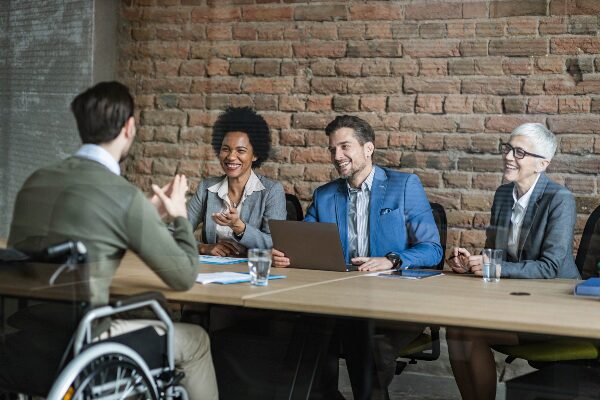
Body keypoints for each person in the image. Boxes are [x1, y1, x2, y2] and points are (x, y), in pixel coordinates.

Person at [6, 81, 218, 400]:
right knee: (197, 340)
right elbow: (184, 275)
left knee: (145, 313)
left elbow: (78, 228)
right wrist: (178, 217)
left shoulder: (35, 181)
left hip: (27, 333)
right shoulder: (122, 196)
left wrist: (140, 215)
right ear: (129, 127)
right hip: (85, 339)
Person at [273, 115, 443, 400]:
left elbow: (433, 249)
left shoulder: (404, 186)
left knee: (363, 339)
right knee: (301, 330)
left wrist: (391, 259)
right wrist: (287, 256)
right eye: (332, 149)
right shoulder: (326, 195)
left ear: (368, 148)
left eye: (345, 147)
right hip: (340, 298)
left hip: (394, 302)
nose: (337, 156)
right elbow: (305, 245)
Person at [447, 122, 579, 400]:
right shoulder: (503, 195)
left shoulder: (560, 200)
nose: (508, 156)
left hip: (556, 308)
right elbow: (495, 253)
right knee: (455, 328)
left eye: (519, 152)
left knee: (470, 332)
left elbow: (550, 267)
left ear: (542, 164)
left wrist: (494, 267)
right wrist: (471, 262)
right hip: (514, 301)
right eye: (508, 148)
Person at [187, 106, 286, 256]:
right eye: (226, 149)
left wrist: (239, 227)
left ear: (255, 155)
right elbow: (175, 234)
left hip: (250, 272)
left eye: (241, 151)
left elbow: (275, 244)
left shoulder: (271, 191)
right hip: (211, 272)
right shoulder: (206, 189)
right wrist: (203, 248)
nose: (231, 157)